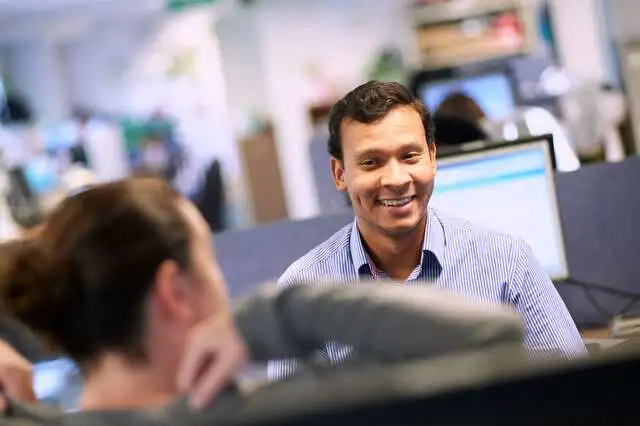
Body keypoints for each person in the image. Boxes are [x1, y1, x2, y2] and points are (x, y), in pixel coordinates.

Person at [0, 177, 524, 419]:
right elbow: (490, 335)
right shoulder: (272, 411)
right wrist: (276, 313)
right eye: (210, 263)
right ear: (173, 291)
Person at [269, 80, 586, 380]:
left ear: (432, 158)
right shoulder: (302, 293)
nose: (395, 179)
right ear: (340, 173)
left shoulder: (505, 261)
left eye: (409, 156)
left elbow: (574, 389)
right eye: (371, 162)